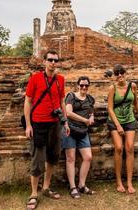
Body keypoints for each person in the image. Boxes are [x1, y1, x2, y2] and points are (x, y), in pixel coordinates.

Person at [23, 50, 70, 210]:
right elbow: (28, 102)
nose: (52, 63)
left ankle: (46, 187)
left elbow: (62, 101)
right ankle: (34, 193)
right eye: (50, 60)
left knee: (53, 157)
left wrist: (65, 122)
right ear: (44, 62)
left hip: (55, 124)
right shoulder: (35, 78)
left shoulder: (60, 80)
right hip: (38, 124)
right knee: (37, 159)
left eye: (55, 60)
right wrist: (28, 125)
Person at [106, 64, 138, 194]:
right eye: (117, 74)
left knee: (129, 148)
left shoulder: (132, 86)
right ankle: (118, 181)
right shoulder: (112, 88)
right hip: (115, 120)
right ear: (114, 76)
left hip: (129, 120)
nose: (119, 76)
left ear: (125, 73)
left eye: (121, 73)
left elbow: (136, 103)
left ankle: (129, 182)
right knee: (119, 148)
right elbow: (110, 108)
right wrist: (117, 125)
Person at [62, 76, 96, 198]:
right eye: (81, 85)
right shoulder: (71, 96)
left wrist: (91, 118)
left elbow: (91, 112)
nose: (84, 87)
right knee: (70, 158)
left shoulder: (90, 99)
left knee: (88, 157)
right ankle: (72, 187)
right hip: (69, 129)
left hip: (83, 132)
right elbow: (68, 113)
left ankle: (81, 185)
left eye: (86, 85)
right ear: (78, 85)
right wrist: (85, 120)